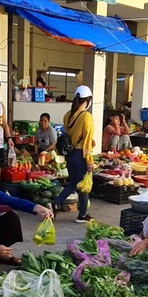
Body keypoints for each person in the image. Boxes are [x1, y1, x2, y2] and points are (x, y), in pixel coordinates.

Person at [54, 85, 95, 223]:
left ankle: (56, 202)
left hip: (69, 154)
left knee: (73, 183)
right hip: (80, 154)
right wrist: (89, 160)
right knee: (83, 185)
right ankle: (82, 215)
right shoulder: (86, 117)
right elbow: (87, 140)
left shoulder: (67, 115)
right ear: (88, 100)